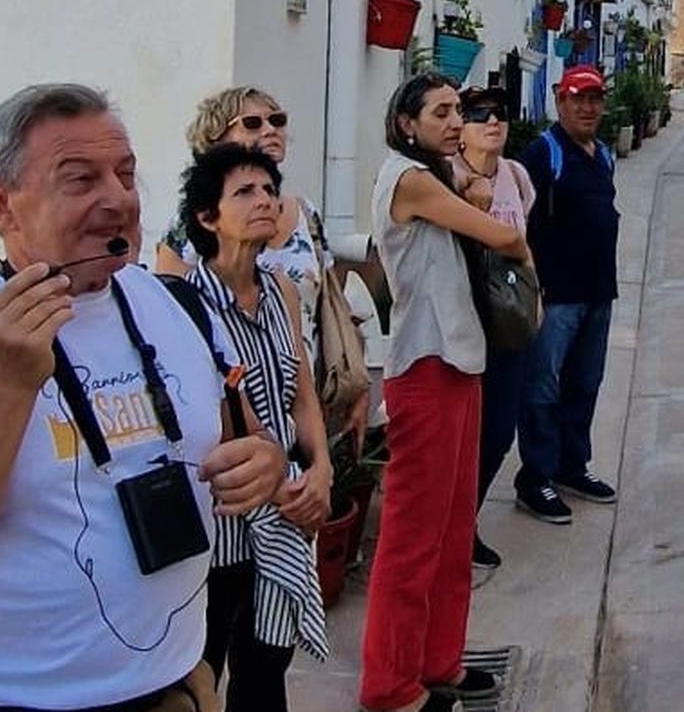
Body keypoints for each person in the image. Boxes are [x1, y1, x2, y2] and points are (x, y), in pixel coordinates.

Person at [0, 83, 286, 711]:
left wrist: (265, 464)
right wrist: (10, 385)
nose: (117, 199)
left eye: (125, 174)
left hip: (174, 690)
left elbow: (246, 439)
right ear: (2, 205)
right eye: (80, 180)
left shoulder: (178, 305)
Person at [362, 72, 531, 712]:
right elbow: (503, 234)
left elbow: (484, 202)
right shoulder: (408, 180)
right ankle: (390, 684)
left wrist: (477, 186)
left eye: (457, 109)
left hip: (460, 358)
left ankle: (439, 659)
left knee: (456, 527)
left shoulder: (434, 176)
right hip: (425, 366)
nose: (456, 121)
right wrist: (483, 193)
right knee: (413, 537)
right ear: (407, 124)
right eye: (440, 112)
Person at [179, 143, 332, 710]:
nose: (265, 200)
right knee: (202, 666)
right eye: (245, 191)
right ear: (207, 217)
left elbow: (303, 391)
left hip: (288, 503)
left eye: (269, 190)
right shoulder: (187, 304)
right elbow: (210, 419)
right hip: (223, 522)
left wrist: (322, 472)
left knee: (267, 666)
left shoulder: (282, 291)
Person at [156, 86, 372, 449]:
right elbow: (172, 323)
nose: (270, 130)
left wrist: (356, 381)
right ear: (217, 137)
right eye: (253, 123)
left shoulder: (304, 211)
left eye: (278, 120)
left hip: (304, 393)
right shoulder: (191, 223)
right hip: (231, 414)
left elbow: (329, 305)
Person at [513, 65, 622, 525]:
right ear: (560, 100)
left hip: (598, 292)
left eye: (595, 98)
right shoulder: (544, 153)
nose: (588, 107)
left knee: (585, 383)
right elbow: (515, 221)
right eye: (578, 98)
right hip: (555, 296)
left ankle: (571, 467)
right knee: (543, 387)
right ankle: (534, 477)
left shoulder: (604, 155)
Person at [450, 86, 537, 571]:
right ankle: (456, 530)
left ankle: (468, 522)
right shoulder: (447, 180)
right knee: (464, 434)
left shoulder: (517, 177)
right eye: (479, 113)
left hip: (508, 320)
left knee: (500, 429)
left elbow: (524, 244)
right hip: (465, 321)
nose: (493, 121)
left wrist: (536, 297)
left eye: (500, 114)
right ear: (459, 130)